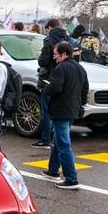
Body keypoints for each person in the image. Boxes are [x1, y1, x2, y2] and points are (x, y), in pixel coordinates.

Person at [40, 41, 89, 189]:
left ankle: (71, 178)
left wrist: (45, 88)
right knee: (58, 140)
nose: (54, 57)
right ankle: (53, 170)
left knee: (63, 143)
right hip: (73, 109)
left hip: (61, 109)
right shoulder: (80, 68)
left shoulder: (60, 68)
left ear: (63, 54)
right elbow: (84, 89)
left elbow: (56, 87)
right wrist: (80, 105)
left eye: (56, 54)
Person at [33, 18, 68, 149]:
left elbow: (43, 62)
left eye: (47, 29)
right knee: (55, 110)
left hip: (48, 77)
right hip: (61, 78)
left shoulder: (49, 40)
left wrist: (41, 55)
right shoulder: (65, 39)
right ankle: (56, 139)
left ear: (49, 28)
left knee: (46, 111)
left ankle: (45, 140)